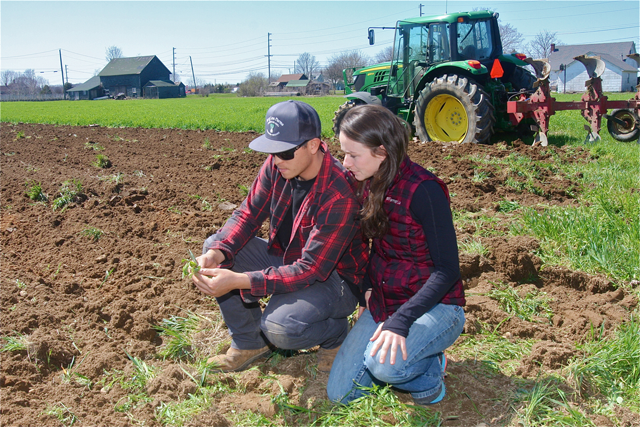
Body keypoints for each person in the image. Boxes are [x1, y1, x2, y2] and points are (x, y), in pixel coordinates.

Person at [191, 100, 369, 373]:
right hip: (289, 258)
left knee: (280, 328)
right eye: (271, 151)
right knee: (216, 247)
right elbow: (248, 214)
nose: (276, 160)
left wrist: (240, 281)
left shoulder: (338, 191)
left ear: (313, 145)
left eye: (285, 152)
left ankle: (335, 333)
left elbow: (311, 269)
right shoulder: (278, 166)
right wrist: (217, 253)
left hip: (334, 279)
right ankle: (249, 343)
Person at [327, 104, 466, 406]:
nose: (345, 162)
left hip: (437, 306)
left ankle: (429, 372)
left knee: (386, 367)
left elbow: (448, 270)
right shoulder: (367, 182)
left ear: (381, 151)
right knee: (341, 394)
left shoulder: (424, 190)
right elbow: (374, 247)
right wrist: (366, 288)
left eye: (353, 154)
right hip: (386, 300)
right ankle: (413, 355)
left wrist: (400, 322)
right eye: (343, 152)